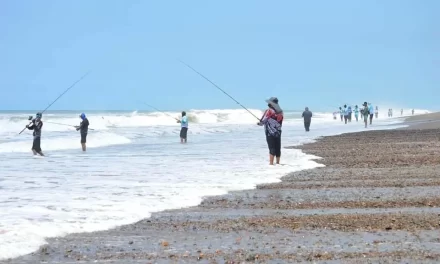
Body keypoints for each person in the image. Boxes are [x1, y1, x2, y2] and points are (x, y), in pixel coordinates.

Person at [258, 97, 283, 165]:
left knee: (271, 147)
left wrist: (259, 123)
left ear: (271, 104)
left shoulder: (269, 111)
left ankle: (271, 164)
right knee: (278, 147)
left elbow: (262, 121)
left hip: (270, 132)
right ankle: (278, 163)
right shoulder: (281, 112)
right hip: (278, 132)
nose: (268, 104)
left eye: (269, 102)